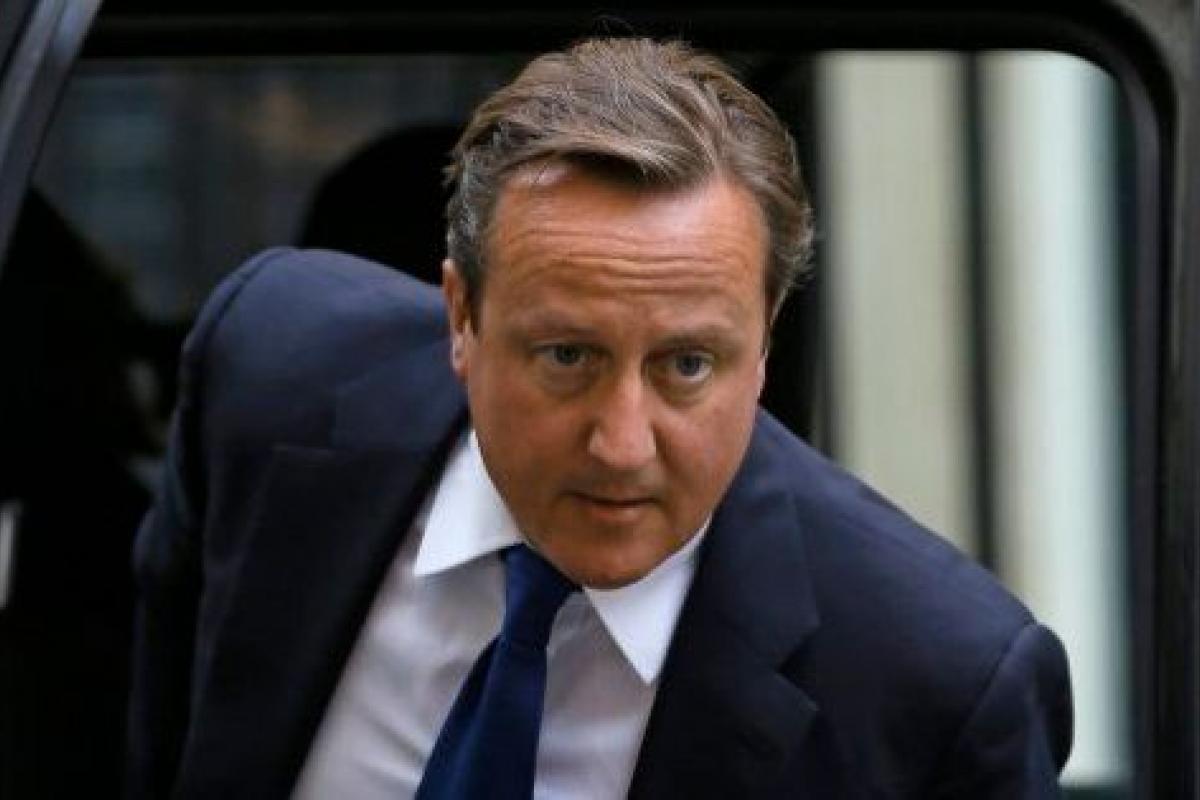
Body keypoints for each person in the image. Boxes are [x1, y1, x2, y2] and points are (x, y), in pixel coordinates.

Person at [127, 37, 1072, 799]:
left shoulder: (934, 685)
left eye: (687, 365)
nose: (621, 446)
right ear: (461, 318)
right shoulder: (271, 375)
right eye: (567, 357)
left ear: (765, 344)